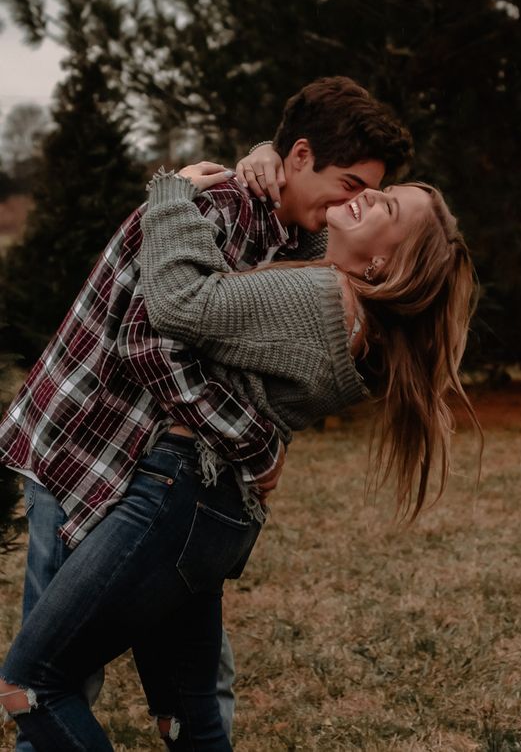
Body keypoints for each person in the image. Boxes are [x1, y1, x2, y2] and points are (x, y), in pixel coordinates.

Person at [0, 162, 479, 752]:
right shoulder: (363, 325)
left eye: (388, 207)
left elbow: (178, 302)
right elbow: (296, 247)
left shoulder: (321, 298)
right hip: (218, 519)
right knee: (189, 718)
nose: (370, 195)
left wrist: (171, 192)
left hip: (175, 501)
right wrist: (266, 160)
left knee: (32, 683)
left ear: (385, 263)